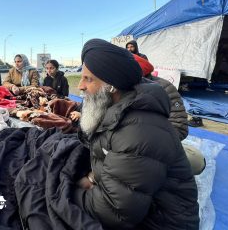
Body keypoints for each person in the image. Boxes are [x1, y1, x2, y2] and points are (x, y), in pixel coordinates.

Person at [73, 39, 199, 229]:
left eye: (88, 79)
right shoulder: (113, 107)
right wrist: (91, 177)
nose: (80, 87)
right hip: (141, 209)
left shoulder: (139, 131)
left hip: (161, 223)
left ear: (112, 86)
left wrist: (68, 189)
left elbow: (114, 211)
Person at [133, 54, 206, 175]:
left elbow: (179, 128)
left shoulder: (164, 88)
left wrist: (145, 144)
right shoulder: (112, 90)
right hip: (122, 147)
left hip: (154, 145)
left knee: (195, 162)